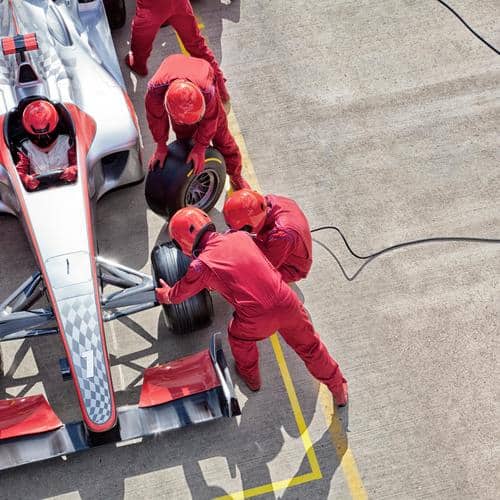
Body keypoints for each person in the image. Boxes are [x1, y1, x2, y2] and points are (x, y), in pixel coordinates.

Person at [155, 207, 348, 406]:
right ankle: (338, 388)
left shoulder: (200, 266)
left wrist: (166, 295)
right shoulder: (240, 236)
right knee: (311, 347)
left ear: (181, 244)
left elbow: (179, 295)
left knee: (238, 337)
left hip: (257, 318)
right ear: (206, 221)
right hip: (287, 301)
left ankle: (252, 379)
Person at [145, 54, 249, 191]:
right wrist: (160, 145)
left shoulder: (207, 91)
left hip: (201, 73)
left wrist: (200, 147)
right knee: (185, 140)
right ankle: (191, 173)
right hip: (175, 70)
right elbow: (156, 119)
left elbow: (211, 121)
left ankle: (236, 177)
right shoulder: (155, 90)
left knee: (223, 139)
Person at [126, 0, 230, 103]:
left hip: (151, 8)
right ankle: (220, 88)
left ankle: (138, 65)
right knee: (197, 45)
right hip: (179, 3)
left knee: (140, 43)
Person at [223, 189, 312, 283]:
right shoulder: (265, 202)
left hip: (291, 268)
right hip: (284, 245)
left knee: (245, 277)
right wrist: (236, 177)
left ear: (253, 222)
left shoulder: (281, 235)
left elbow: (267, 267)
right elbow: (246, 199)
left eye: (242, 229)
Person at [16, 100, 77, 191]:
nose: (44, 140)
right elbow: (18, 172)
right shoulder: (25, 149)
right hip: (38, 191)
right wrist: (25, 179)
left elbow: (80, 163)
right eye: (38, 137)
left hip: (68, 187)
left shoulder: (68, 142)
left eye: (48, 135)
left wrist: (74, 170)